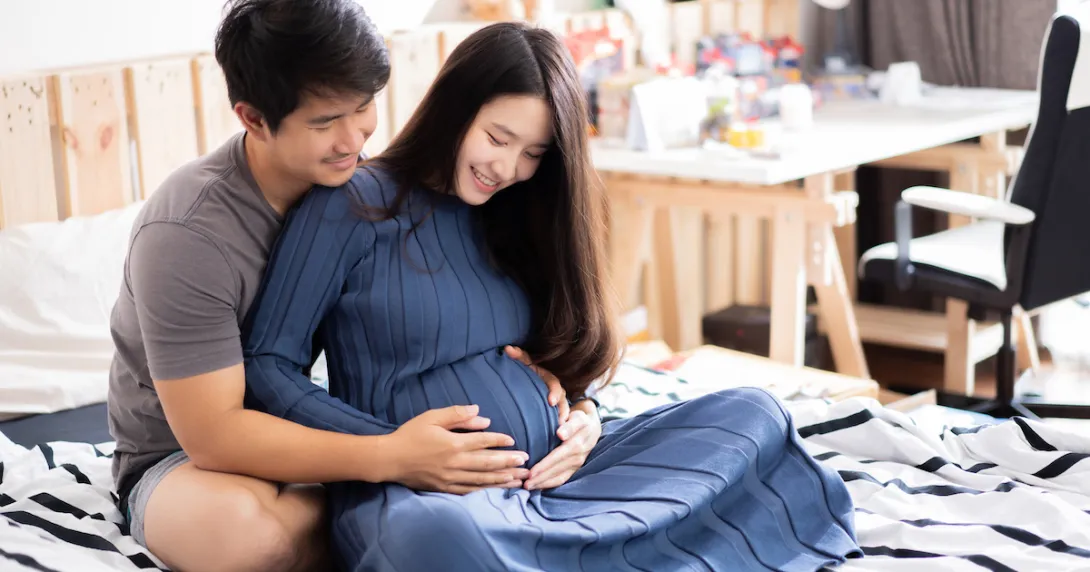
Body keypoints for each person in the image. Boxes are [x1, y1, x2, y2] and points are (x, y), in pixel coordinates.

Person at [242, 21, 862, 571]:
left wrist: (586, 417)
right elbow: (268, 365)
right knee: (436, 541)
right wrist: (392, 451)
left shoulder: (516, 212)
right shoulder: (350, 205)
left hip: (562, 481)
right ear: (455, 109)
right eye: (498, 137)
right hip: (428, 495)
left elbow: (559, 359)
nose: (507, 167)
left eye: (533, 153)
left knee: (757, 413)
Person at [105, 2, 584, 571]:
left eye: (363, 108)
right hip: (186, 458)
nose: (352, 138)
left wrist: (544, 391)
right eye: (324, 122)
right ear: (253, 119)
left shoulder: (358, 191)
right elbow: (213, 434)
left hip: (319, 439)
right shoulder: (188, 233)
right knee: (252, 537)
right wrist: (391, 457)